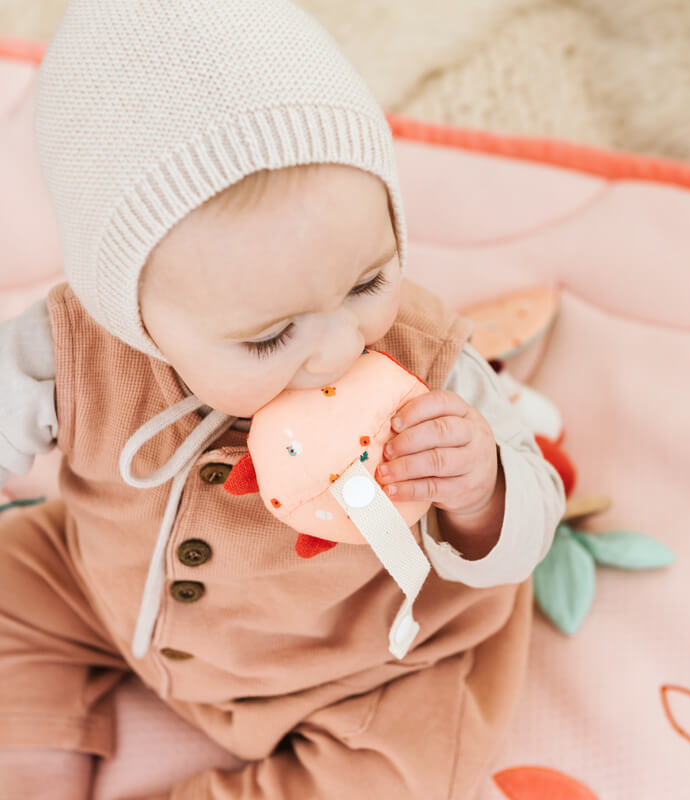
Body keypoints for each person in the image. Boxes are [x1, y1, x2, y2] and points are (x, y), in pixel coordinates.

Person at [0, 1, 565, 797]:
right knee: (11, 586)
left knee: (412, 767)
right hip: (106, 594)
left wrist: (482, 490)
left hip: (363, 665)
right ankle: (32, 759)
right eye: (269, 339)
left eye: (368, 281)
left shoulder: (428, 361)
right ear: (127, 312)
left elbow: (532, 524)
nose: (340, 349)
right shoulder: (72, 346)